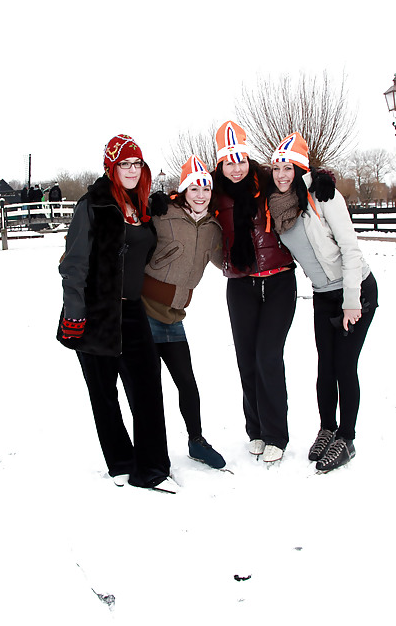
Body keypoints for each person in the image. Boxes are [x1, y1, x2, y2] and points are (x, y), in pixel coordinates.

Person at [57, 134, 177, 493]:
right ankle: (121, 463)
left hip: (133, 311)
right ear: (111, 167)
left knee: (147, 391)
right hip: (96, 314)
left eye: (136, 163)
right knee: (104, 394)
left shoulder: (141, 207)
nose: (131, 169)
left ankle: (153, 466)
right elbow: (73, 265)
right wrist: (75, 315)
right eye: (124, 163)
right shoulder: (93, 205)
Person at [267, 132, 378, 473]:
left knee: (344, 367)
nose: (282, 174)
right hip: (321, 294)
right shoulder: (277, 205)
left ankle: (347, 438)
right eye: (276, 168)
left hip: (354, 289)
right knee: (325, 369)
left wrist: (351, 301)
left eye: (289, 167)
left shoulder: (322, 196)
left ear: (302, 168)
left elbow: (350, 249)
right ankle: (327, 428)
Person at [213, 121, 297, 464]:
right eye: (229, 162)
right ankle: (257, 430)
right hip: (240, 284)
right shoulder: (214, 192)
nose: (236, 168)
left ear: (249, 160)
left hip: (278, 280)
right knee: (247, 359)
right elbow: (186, 203)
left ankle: (277, 432)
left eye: (241, 161)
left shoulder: (267, 181)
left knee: (267, 356)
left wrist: (324, 179)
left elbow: (296, 177)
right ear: (220, 164)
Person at [142, 155, 226, 469]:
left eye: (206, 187)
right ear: (184, 191)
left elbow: (224, 263)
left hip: (174, 316)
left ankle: (196, 441)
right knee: (149, 386)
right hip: (144, 312)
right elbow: (134, 234)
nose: (201, 194)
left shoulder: (213, 227)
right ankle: (150, 447)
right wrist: (150, 203)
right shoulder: (164, 214)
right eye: (194, 188)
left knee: (187, 383)